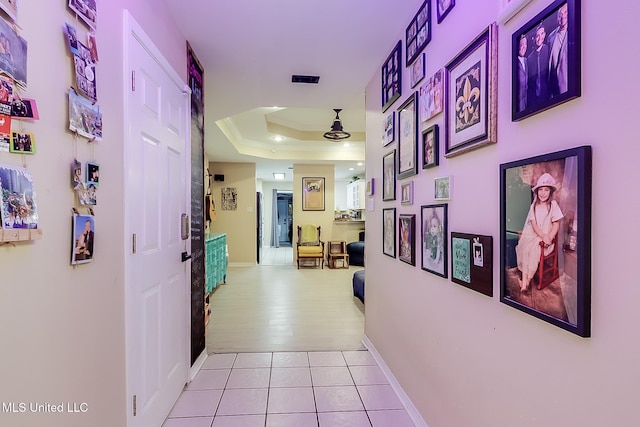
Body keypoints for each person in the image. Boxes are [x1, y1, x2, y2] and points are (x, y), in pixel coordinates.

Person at [515, 173, 564, 292]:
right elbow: (534, 224)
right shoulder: (534, 206)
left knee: (533, 250)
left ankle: (526, 281)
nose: (542, 193)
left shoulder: (553, 205)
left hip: (547, 238)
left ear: (551, 192)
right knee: (525, 249)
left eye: (546, 190)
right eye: (540, 190)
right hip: (535, 233)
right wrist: (541, 235)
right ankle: (525, 283)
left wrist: (549, 237)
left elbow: (556, 224)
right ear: (536, 192)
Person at [548, 3, 569, 97]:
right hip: (553, 86)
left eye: (566, 12)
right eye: (560, 14)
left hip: (567, 84)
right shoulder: (551, 36)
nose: (563, 16)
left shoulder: (574, 31)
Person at [527, 24, 550, 106]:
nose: (540, 38)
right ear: (533, 38)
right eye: (537, 36)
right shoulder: (529, 59)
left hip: (547, 95)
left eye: (542, 34)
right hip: (533, 100)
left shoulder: (548, 50)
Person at [516, 35, 528, 112]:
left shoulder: (527, 60)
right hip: (519, 105)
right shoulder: (514, 63)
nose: (523, 47)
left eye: (525, 44)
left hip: (527, 103)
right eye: (521, 45)